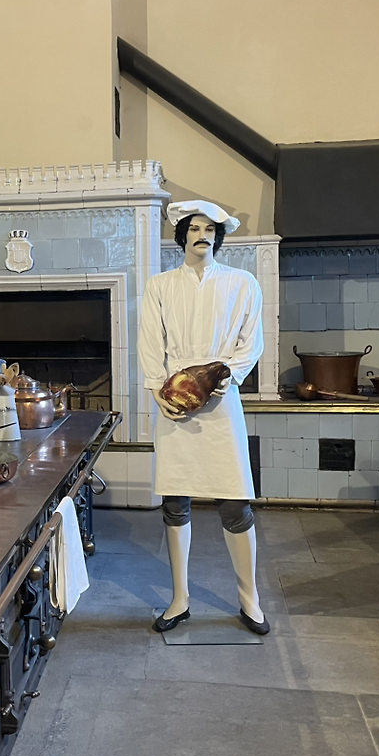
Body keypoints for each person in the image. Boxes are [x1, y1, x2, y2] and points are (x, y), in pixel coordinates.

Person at [137, 199, 269, 636]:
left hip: (222, 401)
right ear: (182, 236)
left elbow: (251, 342)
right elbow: (150, 342)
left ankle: (250, 600)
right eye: (194, 228)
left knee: (234, 502)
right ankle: (180, 598)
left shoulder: (242, 283)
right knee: (176, 502)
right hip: (175, 402)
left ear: (218, 236)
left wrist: (224, 376)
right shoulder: (160, 285)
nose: (202, 235)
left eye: (210, 229)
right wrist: (159, 392)